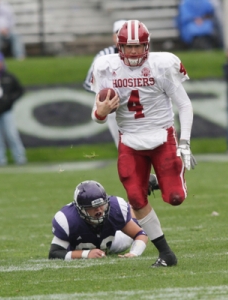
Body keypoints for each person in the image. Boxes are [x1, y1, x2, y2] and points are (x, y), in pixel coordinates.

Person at [90, 20, 196, 267]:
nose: (135, 51)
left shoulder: (162, 65)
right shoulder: (106, 67)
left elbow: (185, 104)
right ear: (120, 46)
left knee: (175, 198)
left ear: (147, 46)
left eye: (139, 46)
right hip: (129, 139)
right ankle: (166, 253)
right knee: (136, 199)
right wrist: (101, 112)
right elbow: (96, 116)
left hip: (161, 135)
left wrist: (185, 142)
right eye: (129, 46)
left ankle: (166, 180)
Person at [49, 180, 148, 260]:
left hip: (112, 242)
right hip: (84, 246)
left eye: (101, 205)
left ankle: (133, 203)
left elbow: (140, 234)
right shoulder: (68, 219)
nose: (99, 210)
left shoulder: (115, 208)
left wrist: (134, 253)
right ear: (80, 209)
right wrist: (86, 254)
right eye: (92, 207)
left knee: (130, 235)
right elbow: (54, 253)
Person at [83, 20, 127, 147]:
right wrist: (107, 95)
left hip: (140, 106)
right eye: (120, 33)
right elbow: (89, 83)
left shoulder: (145, 54)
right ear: (114, 37)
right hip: (115, 106)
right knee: (123, 146)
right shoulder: (104, 56)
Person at [0, 51, 27, 166]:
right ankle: (1, 160)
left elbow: (19, 90)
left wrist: (9, 100)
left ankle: (20, 158)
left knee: (12, 134)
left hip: (6, 110)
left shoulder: (9, 77)